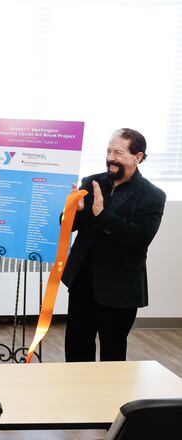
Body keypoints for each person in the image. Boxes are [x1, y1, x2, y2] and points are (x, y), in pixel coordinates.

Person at [63, 128, 165, 362]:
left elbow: (140, 238)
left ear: (137, 157)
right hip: (83, 283)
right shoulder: (91, 182)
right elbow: (68, 225)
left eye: (118, 152)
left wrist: (101, 214)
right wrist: (73, 213)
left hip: (120, 289)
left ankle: (111, 400)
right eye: (109, 151)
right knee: (76, 349)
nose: (110, 157)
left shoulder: (152, 195)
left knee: (113, 353)